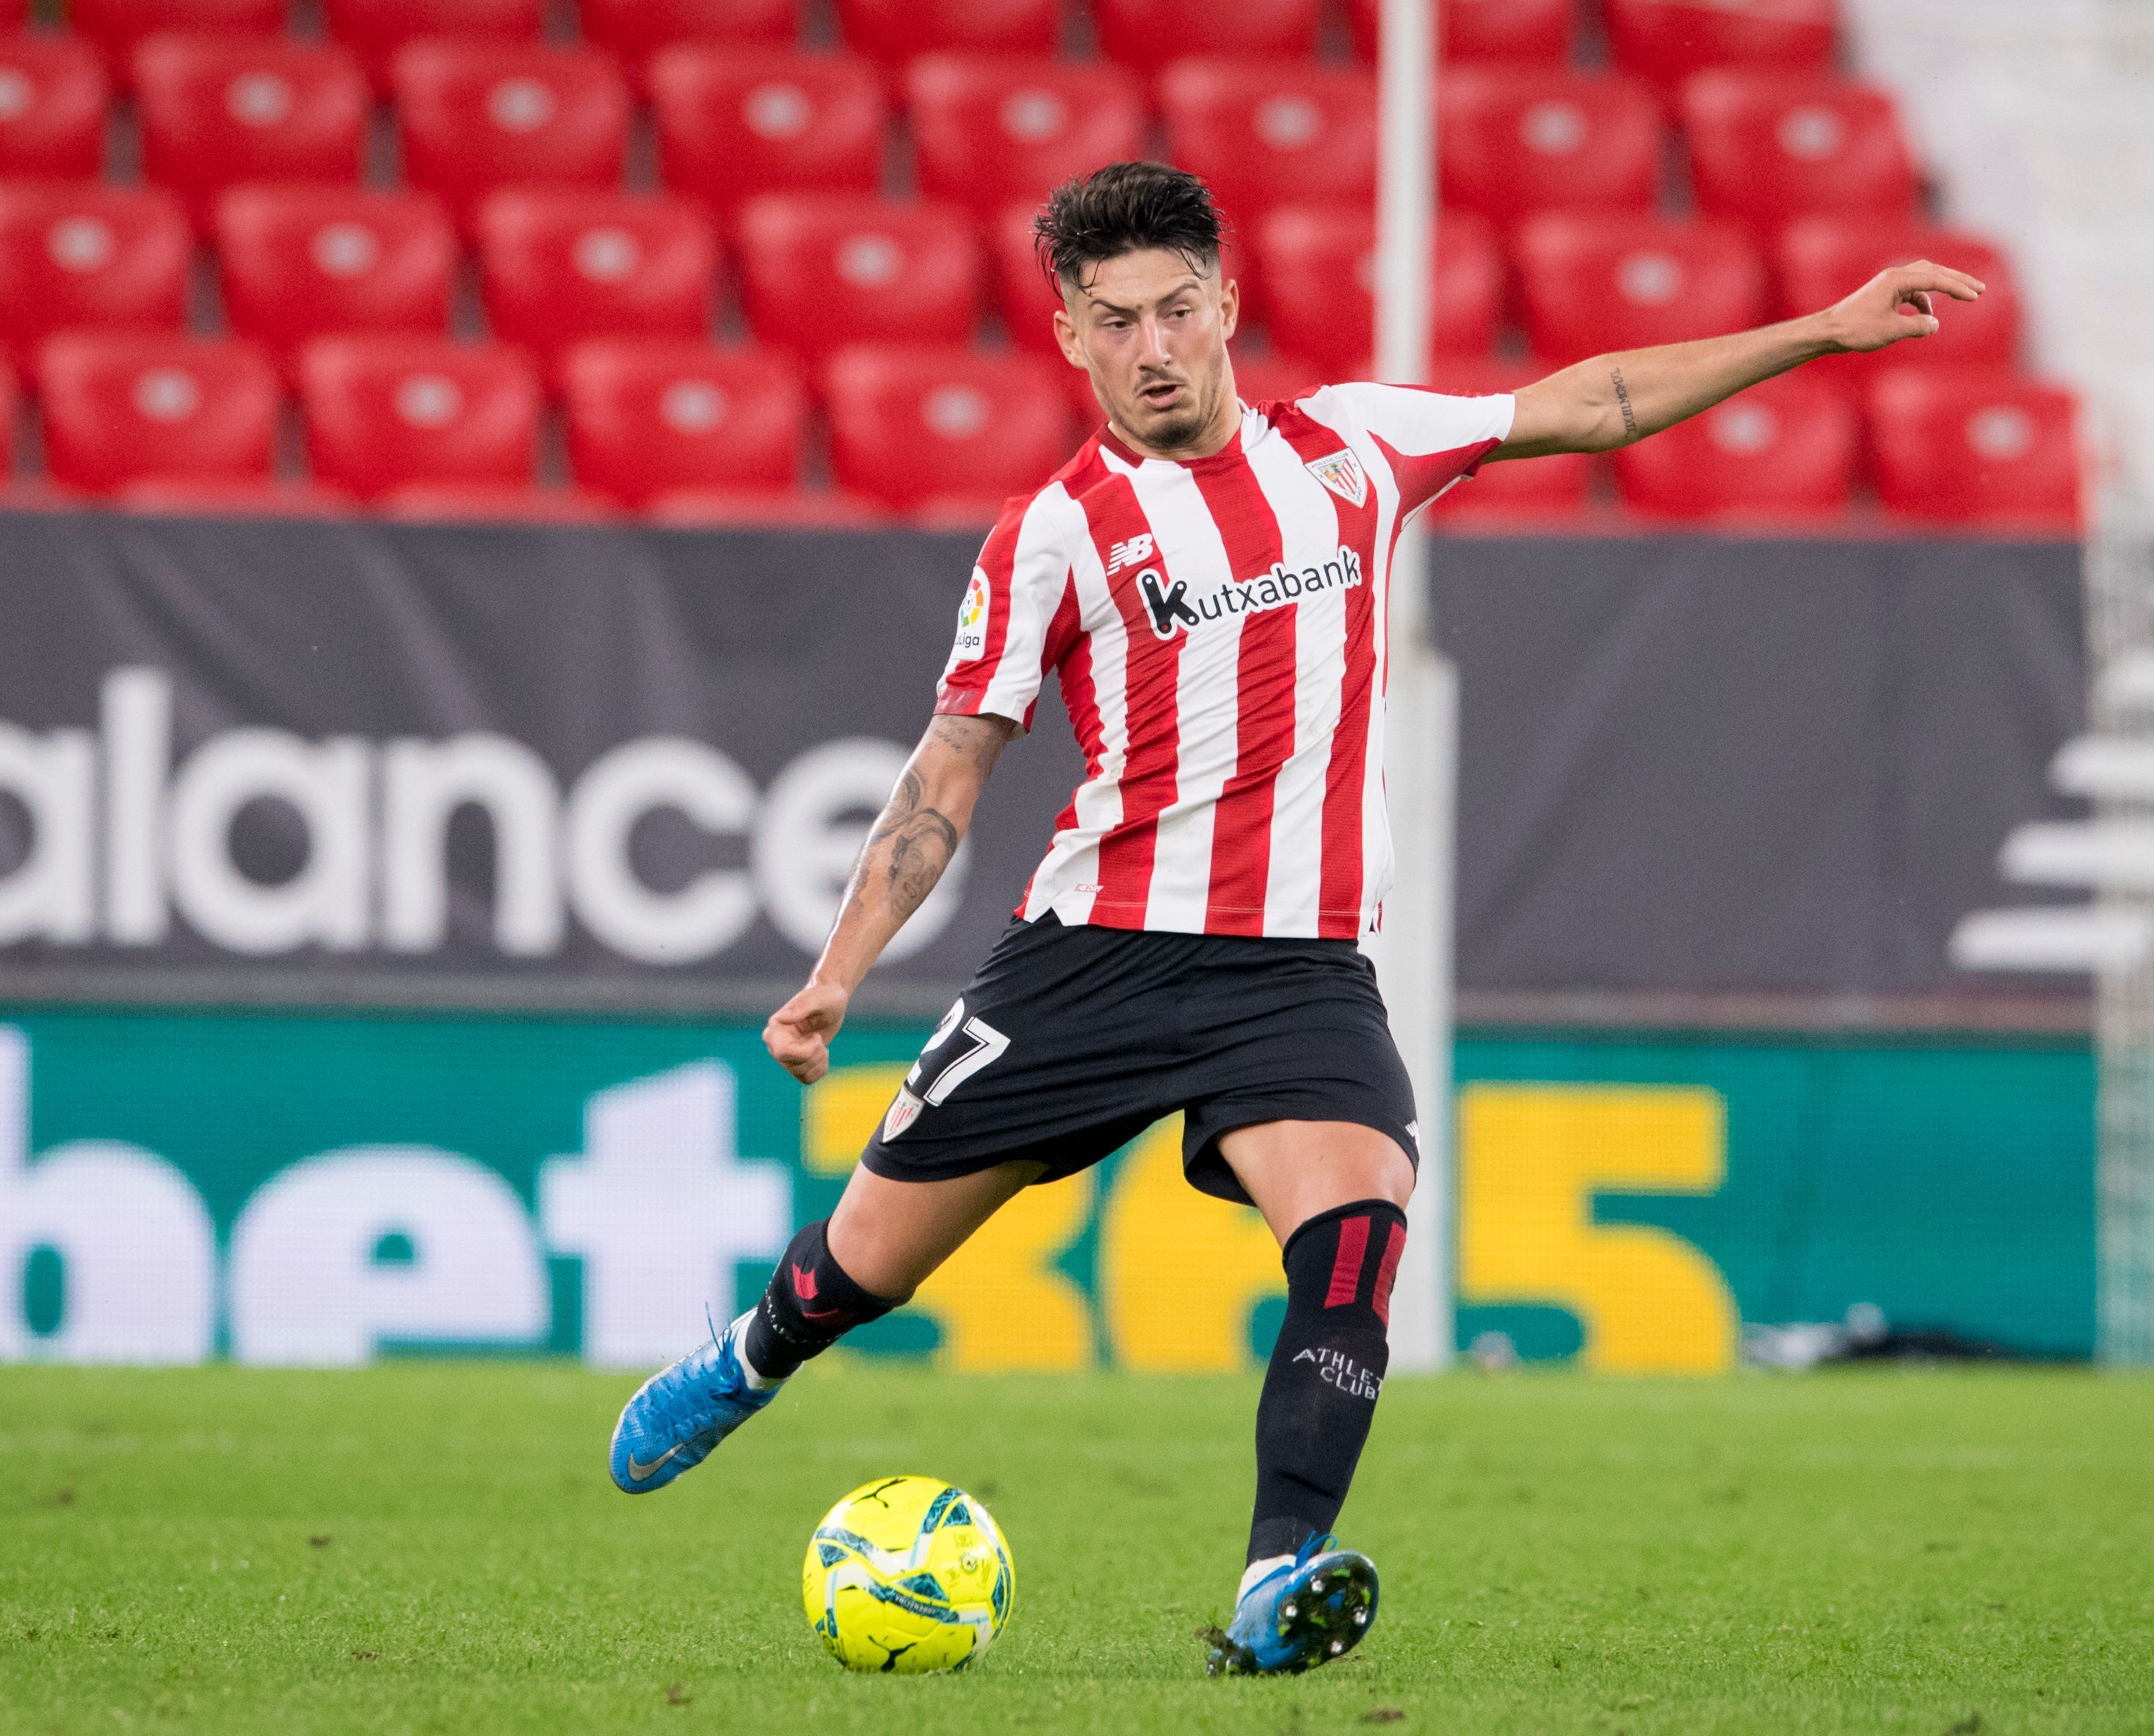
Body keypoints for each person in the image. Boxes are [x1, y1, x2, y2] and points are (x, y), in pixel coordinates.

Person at [607, 160, 1981, 1677]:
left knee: (1356, 1229)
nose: (1152, 347)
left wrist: (1821, 330)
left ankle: (1280, 1575)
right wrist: (829, 980)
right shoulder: (1053, 535)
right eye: (1115, 320)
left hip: (1299, 971)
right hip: (1096, 956)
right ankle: (747, 1357)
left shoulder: (1356, 445)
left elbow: (1594, 399)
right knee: (865, 1263)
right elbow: (952, 766)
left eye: (1177, 310)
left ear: (1227, 307)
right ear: (1069, 336)